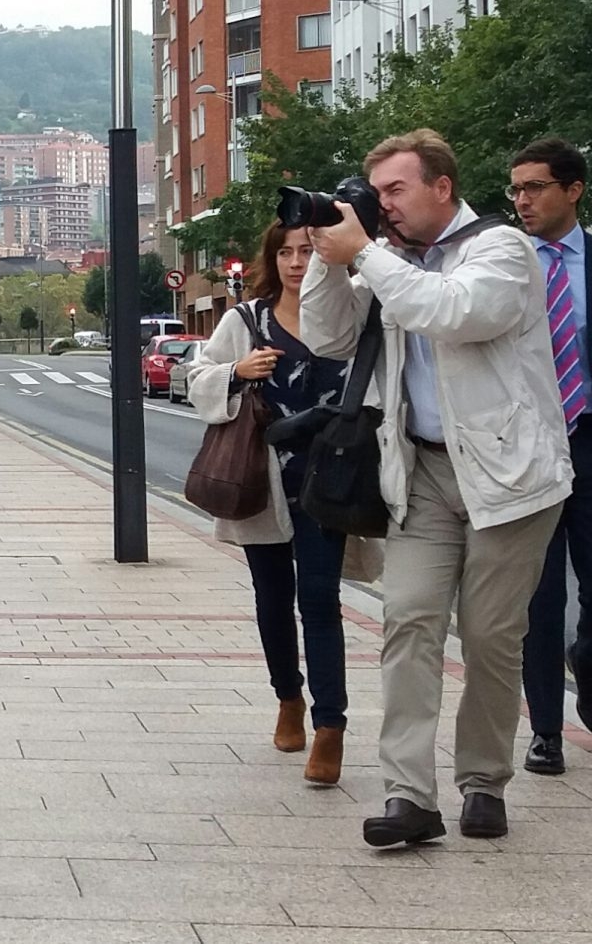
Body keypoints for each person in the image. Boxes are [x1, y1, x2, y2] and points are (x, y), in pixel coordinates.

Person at [301, 129, 571, 848]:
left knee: (489, 637)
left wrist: (365, 254)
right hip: (418, 471)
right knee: (409, 621)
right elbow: (326, 336)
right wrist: (332, 258)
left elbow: (454, 312)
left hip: (511, 477)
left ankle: (484, 779)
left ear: (442, 187)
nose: (383, 205)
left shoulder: (502, 249)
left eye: (395, 190)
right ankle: (407, 795)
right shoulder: (388, 261)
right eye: (377, 193)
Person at [186, 222, 353, 785]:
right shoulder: (246, 320)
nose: (295, 262)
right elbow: (197, 377)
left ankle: (331, 727)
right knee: (272, 599)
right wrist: (237, 370)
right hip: (264, 483)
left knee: (322, 601)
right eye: (285, 252)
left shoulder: (348, 313)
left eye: (307, 251)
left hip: (329, 480)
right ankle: (289, 697)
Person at [510, 137, 592, 775]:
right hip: (531, 445)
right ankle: (546, 732)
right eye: (516, 189)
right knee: (538, 599)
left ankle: (585, 671)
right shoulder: (507, 264)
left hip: (589, 439)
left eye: (535, 187)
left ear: (573, 190)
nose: (522, 200)